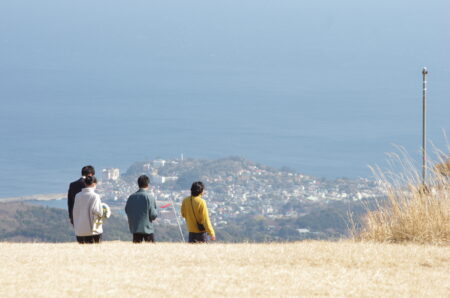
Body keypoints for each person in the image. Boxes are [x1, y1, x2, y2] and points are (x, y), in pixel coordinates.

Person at [125, 175, 158, 243]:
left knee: (136, 250)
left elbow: (127, 210)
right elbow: (153, 215)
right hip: (147, 228)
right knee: (151, 250)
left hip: (135, 228)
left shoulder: (131, 197)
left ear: (138, 184)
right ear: (147, 184)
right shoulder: (149, 197)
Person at [72, 175, 104, 244]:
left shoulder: (77, 196)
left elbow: (75, 212)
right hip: (93, 231)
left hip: (80, 231)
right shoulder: (95, 196)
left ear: (85, 183)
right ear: (94, 184)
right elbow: (98, 212)